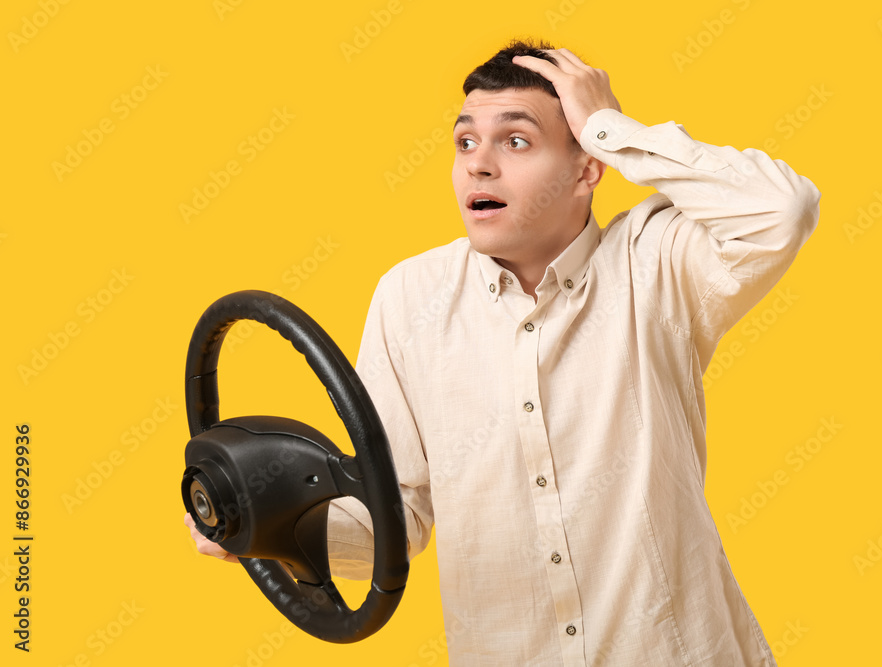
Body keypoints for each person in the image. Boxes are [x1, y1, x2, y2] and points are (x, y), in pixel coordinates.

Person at [186, 39, 820, 665]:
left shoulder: (653, 263)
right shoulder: (410, 298)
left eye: (516, 141)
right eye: (465, 142)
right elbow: (396, 513)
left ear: (586, 168)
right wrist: (264, 524)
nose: (478, 165)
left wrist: (608, 126)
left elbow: (781, 210)